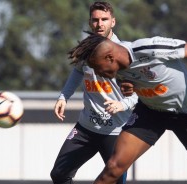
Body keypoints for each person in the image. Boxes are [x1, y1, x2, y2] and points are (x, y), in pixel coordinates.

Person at [68, 33, 187, 184]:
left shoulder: (151, 48)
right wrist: (128, 87)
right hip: (151, 112)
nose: (97, 73)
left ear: (109, 57)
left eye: (97, 67)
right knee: (113, 168)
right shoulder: (115, 67)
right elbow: (131, 81)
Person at [50, 2, 138, 184]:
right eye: (96, 20)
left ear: (113, 22)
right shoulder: (86, 49)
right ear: (90, 23)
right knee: (58, 175)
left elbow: (140, 90)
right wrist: (63, 96)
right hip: (85, 129)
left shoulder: (124, 52)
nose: (100, 24)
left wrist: (122, 104)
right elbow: (78, 71)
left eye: (104, 19)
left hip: (116, 132)